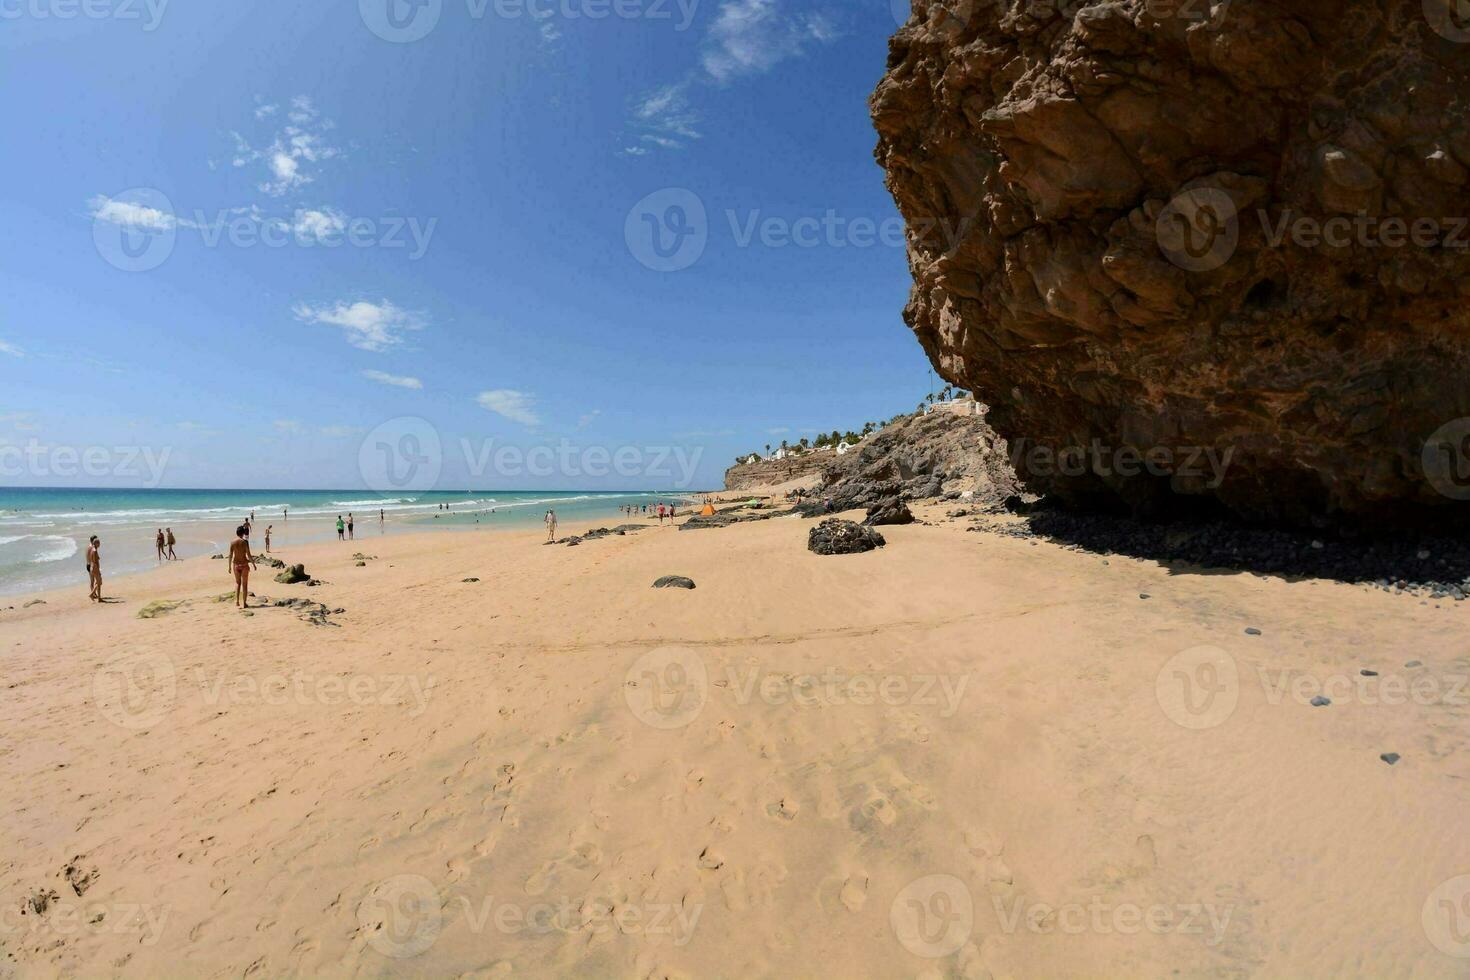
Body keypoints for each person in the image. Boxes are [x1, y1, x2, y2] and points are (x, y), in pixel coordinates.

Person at [228, 524, 253, 609]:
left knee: (237, 583)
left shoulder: (232, 542)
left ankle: (237, 601)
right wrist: (253, 564)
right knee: (244, 584)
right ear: (243, 533)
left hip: (236, 565)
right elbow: (249, 555)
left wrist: (229, 567)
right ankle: (244, 603)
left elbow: (230, 555)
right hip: (244, 565)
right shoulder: (245, 542)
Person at [86, 536, 102, 602]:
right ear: (95, 543)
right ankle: (93, 594)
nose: (100, 544)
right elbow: (95, 561)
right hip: (94, 568)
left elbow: (89, 558)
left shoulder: (89, 548)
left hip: (90, 566)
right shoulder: (94, 550)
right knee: (99, 582)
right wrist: (98, 569)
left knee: (97, 582)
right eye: (98, 543)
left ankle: (97, 596)